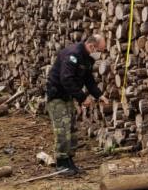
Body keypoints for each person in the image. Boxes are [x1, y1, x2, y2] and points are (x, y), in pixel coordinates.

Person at [46, 34, 109, 175]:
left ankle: (69, 161)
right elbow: (66, 79)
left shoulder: (86, 58)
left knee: (71, 129)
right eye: (101, 50)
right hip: (57, 96)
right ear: (92, 46)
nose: (101, 53)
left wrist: (100, 95)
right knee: (62, 129)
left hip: (67, 97)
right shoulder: (73, 55)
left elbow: (89, 80)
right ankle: (61, 163)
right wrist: (82, 98)